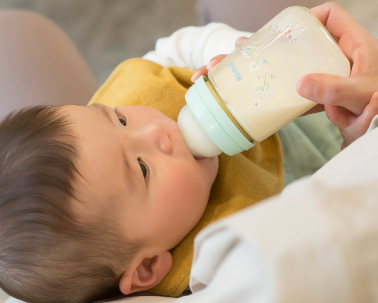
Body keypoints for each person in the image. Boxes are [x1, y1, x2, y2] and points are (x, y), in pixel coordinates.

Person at [1, 2, 377, 303]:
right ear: (149, 267)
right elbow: (330, 205)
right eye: (143, 169)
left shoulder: (134, 107)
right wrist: (353, 137)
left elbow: (173, 53)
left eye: (119, 120)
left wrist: (231, 55)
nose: (156, 130)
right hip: (323, 148)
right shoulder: (214, 269)